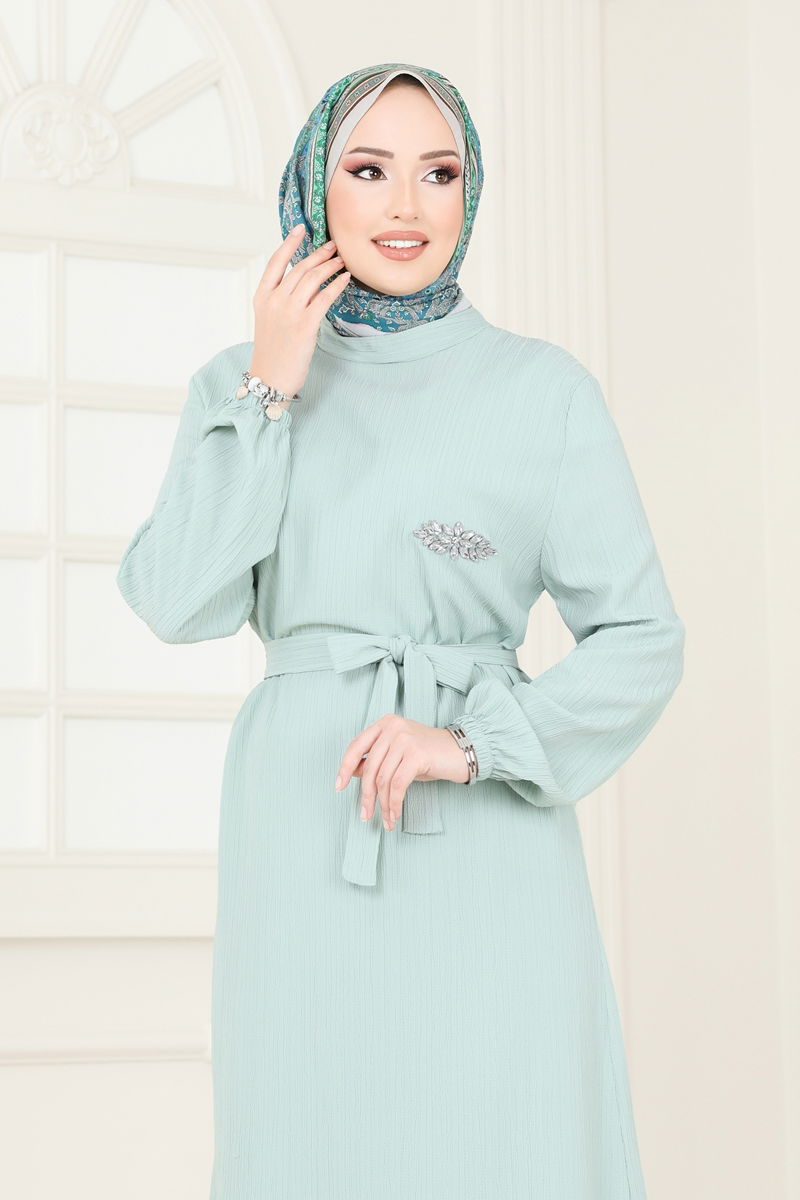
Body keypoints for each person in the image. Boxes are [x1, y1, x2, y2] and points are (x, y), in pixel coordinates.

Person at [116, 61, 685, 1200]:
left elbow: (642, 637)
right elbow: (175, 598)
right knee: (306, 1136)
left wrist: (471, 741)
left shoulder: (542, 392)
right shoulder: (239, 382)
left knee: (507, 1135)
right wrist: (271, 390)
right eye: (368, 170)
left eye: (439, 172)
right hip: (303, 820)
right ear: (313, 190)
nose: (407, 205)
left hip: (488, 837)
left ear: (471, 193)